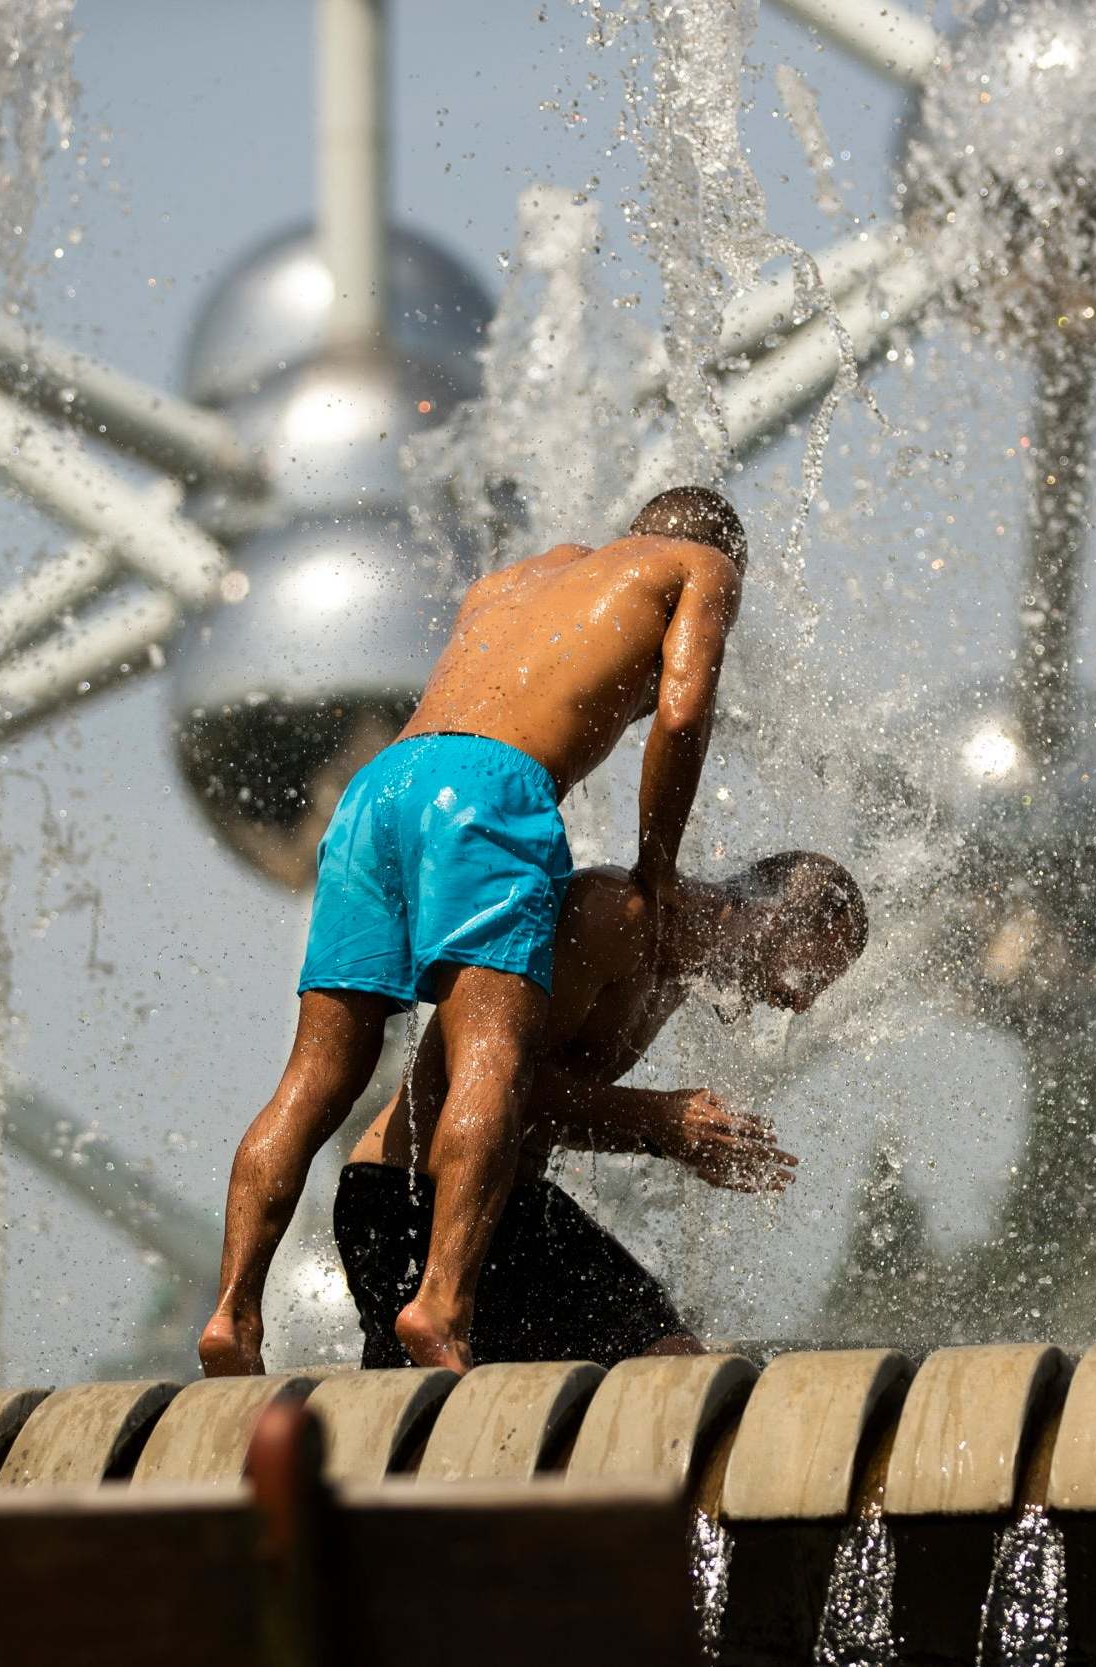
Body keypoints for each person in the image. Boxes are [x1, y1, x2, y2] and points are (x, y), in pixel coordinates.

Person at [199, 486, 751, 1377]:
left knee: (313, 1077)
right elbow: (683, 714)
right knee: (491, 1053)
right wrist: (658, 865)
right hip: (486, 793)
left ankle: (233, 1314)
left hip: (381, 785)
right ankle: (444, 1304)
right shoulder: (701, 564)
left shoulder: (518, 580)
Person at [335, 850, 869, 1368]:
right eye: (808, 977)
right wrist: (655, 1117)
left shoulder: (677, 973)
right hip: (410, 1202)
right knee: (426, 1431)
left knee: (671, 1365)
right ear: (769, 918)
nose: (799, 1004)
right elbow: (488, 1081)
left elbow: (545, 1115)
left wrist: (670, 1140)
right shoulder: (614, 915)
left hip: (509, 1206)